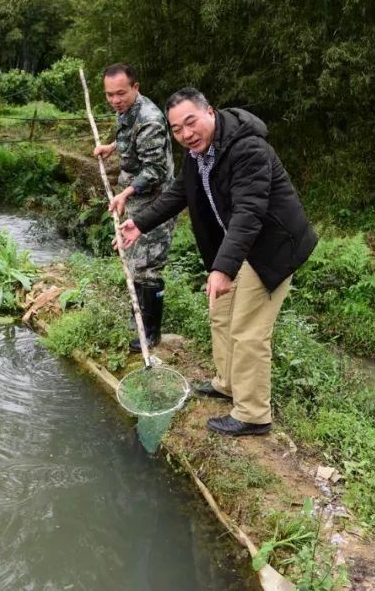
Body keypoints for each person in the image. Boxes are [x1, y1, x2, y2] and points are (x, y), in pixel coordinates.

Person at [118, 88, 318, 436]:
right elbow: (180, 192)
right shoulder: (199, 153)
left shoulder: (247, 149)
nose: (185, 134)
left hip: (271, 248)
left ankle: (254, 414)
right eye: (177, 129)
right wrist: (141, 223)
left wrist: (223, 268)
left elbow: (249, 212)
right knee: (220, 314)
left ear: (209, 111)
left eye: (190, 122)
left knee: (248, 330)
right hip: (240, 246)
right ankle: (227, 383)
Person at [93, 63, 175, 350]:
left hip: (155, 202)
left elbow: (155, 171)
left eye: (121, 94)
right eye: (109, 95)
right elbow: (127, 136)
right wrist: (110, 147)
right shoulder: (126, 111)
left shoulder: (150, 119)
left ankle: (151, 333)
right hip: (135, 199)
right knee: (133, 258)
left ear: (135, 88)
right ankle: (137, 317)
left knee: (148, 265)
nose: (115, 100)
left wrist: (124, 193)